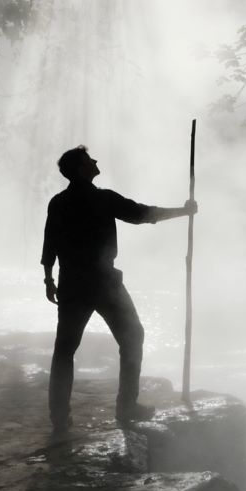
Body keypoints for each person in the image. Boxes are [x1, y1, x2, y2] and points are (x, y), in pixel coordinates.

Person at [40, 145, 196, 433]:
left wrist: (49, 278)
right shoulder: (102, 199)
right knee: (132, 336)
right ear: (80, 170)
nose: (95, 162)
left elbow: (50, 242)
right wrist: (184, 212)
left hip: (72, 283)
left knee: (64, 349)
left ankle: (59, 417)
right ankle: (126, 407)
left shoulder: (58, 203)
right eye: (89, 161)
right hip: (103, 282)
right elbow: (142, 214)